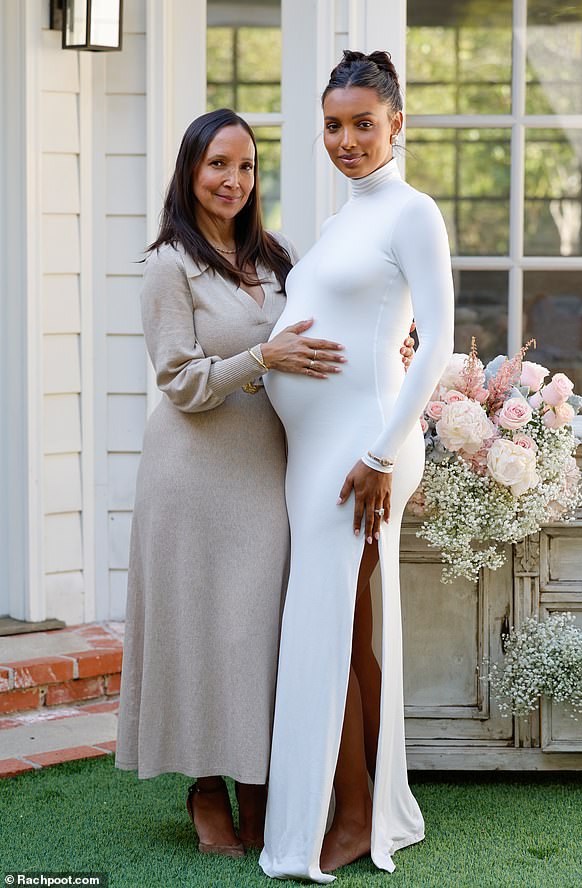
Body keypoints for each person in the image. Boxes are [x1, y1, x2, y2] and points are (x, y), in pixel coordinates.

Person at [115, 108, 415, 858]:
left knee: (257, 632)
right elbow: (180, 381)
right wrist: (264, 360)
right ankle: (207, 784)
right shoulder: (166, 266)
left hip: (273, 470)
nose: (232, 181)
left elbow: (328, 322)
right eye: (218, 165)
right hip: (194, 473)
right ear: (190, 171)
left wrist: (392, 337)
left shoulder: (276, 257)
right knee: (201, 631)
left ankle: (262, 775)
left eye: (245, 167)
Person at [259, 51, 454, 882]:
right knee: (340, 628)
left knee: (331, 626)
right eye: (334, 125)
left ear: (397, 125)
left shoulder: (413, 212)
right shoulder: (344, 220)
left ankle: (348, 818)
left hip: (365, 452)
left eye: (363, 124)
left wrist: (380, 454)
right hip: (317, 451)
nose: (345, 139)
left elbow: (436, 341)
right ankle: (364, 796)